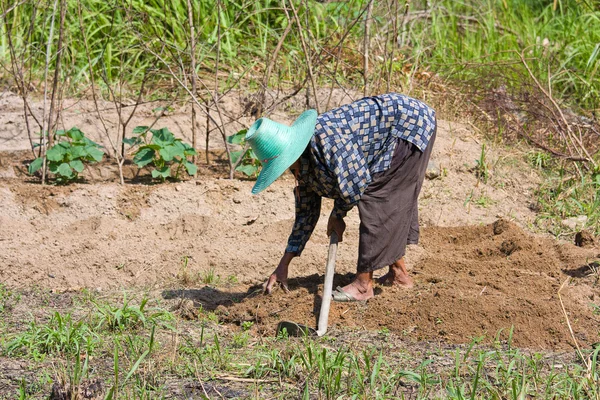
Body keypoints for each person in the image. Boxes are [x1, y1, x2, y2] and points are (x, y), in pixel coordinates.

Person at [245, 93, 436, 301]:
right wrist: (284, 265)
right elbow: (306, 214)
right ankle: (399, 275)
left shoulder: (328, 141)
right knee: (388, 197)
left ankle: (363, 285)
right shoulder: (301, 164)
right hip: (394, 129)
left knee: (379, 197)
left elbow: (357, 182)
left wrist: (337, 215)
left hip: (409, 125)